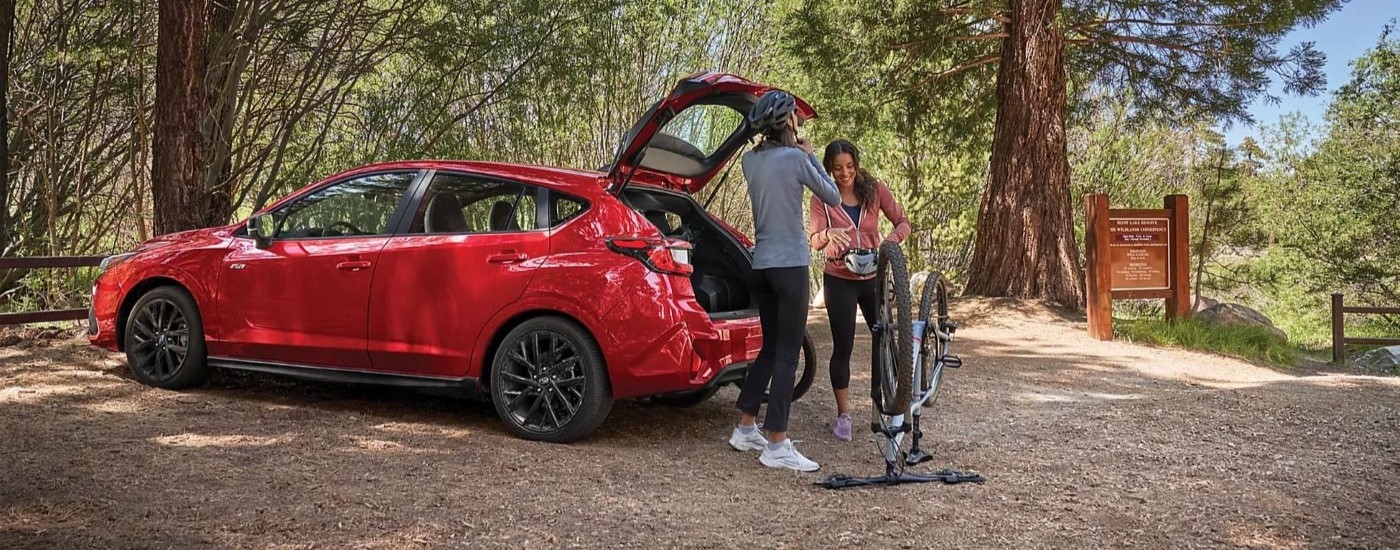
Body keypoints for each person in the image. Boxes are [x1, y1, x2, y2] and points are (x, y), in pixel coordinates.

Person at [726, 90, 841, 472]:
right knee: (787, 354)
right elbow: (833, 195)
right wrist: (810, 156)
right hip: (790, 267)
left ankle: (745, 428)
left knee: (770, 349)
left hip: (762, 267)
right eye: (795, 117)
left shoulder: (749, 161)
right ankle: (776, 442)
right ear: (787, 122)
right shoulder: (796, 158)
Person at [808, 139, 911, 441]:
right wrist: (827, 234)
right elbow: (813, 240)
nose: (845, 173)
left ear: (857, 163)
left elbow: (903, 223)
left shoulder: (875, 189)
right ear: (829, 169)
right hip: (839, 279)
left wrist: (889, 242)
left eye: (850, 166)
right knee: (844, 348)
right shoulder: (822, 197)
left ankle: (886, 405)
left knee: (885, 340)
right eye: (838, 168)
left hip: (872, 280)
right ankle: (844, 416)